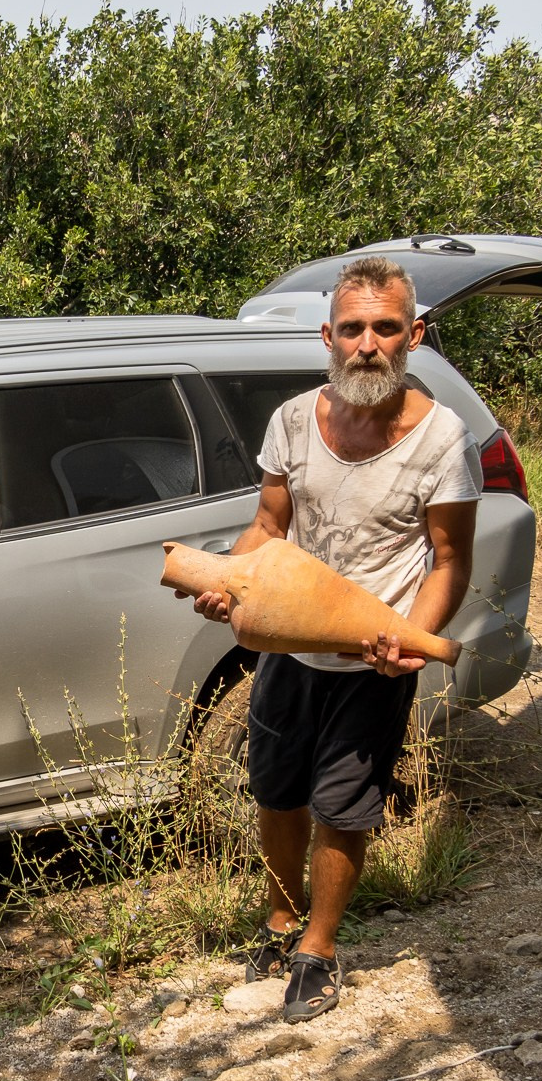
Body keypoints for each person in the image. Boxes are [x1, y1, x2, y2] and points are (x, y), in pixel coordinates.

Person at [186, 255, 481, 1023]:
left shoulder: (443, 439)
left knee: (343, 807)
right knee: (276, 792)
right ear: (328, 336)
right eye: (352, 328)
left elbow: (450, 560)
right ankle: (280, 921)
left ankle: (317, 949)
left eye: (385, 328)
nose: (367, 345)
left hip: (370, 660)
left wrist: (412, 637)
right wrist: (231, 583)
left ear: (414, 335)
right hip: (288, 647)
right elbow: (268, 526)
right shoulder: (293, 421)